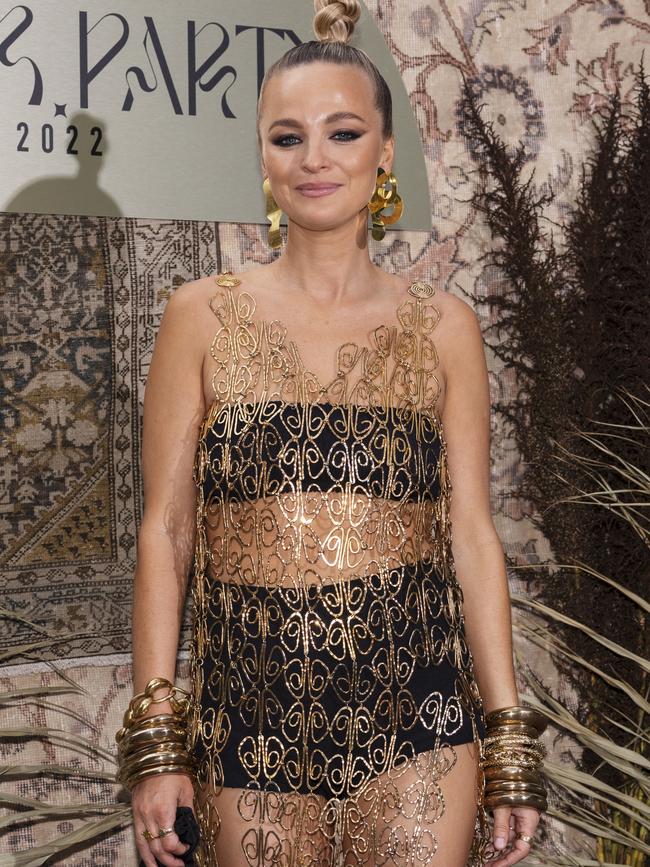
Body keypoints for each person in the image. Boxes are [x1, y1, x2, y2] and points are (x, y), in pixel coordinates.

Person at [115, 2, 550, 866]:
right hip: (248, 725)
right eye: (287, 137)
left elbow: (470, 536)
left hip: (422, 721)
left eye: (343, 132)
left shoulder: (445, 326)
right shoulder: (198, 316)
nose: (314, 158)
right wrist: (158, 739)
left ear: (385, 154)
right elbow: (167, 531)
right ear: (262, 158)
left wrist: (508, 743)